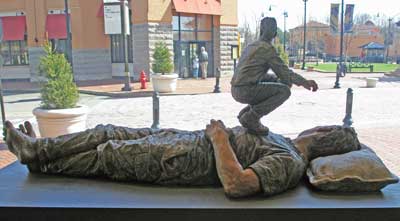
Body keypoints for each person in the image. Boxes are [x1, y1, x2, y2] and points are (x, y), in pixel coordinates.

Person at [5, 120, 360, 198]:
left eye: (323, 127)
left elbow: (238, 184)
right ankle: (42, 150)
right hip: (185, 140)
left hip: (183, 158)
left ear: (324, 136)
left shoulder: (289, 162)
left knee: (108, 156)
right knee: (106, 131)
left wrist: (221, 137)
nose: (315, 125)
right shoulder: (283, 139)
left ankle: (39, 156)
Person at [231, 17, 319, 135]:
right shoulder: (267, 49)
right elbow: (284, 72)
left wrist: (279, 79)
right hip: (245, 90)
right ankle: (252, 117)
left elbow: (252, 72)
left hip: (236, 89)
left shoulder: (252, 45)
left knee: (278, 80)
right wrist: (305, 82)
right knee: (284, 91)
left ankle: (246, 113)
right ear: (275, 33)